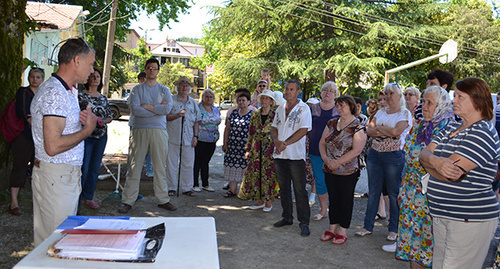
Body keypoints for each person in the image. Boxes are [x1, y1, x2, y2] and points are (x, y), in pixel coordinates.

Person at [420, 78, 500, 268]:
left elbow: (451, 174)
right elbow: (423, 154)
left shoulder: (482, 132)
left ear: (477, 101)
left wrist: (431, 163)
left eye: (460, 97)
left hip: (468, 219)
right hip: (443, 215)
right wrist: (436, 161)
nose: (453, 100)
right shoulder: (452, 127)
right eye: (454, 96)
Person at [30, 38, 97, 246]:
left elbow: (56, 128)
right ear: (77, 61)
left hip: (60, 176)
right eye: (91, 63)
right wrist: (87, 130)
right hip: (56, 177)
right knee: (54, 243)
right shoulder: (55, 93)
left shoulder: (67, 90)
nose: (93, 70)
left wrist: (77, 122)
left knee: (53, 241)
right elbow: (53, 146)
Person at [384, 86, 455, 268]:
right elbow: (408, 159)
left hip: (433, 198)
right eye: (423, 101)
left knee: (430, 246)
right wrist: (402, 187)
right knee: (412, 245)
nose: (424, 106)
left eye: (430, 102)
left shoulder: (449, 130)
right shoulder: (419, 125)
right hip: (410, 193)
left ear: (441, 105)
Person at [356, 83, 412, 241]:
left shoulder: (404, 113)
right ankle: (367, 226)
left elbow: (396, 132)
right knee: (373, 192)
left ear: (399, 96)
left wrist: (380, 129)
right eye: (386, 93)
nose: (388, 96)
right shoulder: (380, 112)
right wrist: (386, 131)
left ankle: (394, 229)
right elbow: (369, 131)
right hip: (375, 155)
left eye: (391, 93)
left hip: (393, 156)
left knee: (393, 193)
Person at [119, 57, 176, 214]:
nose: (152, 70)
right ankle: (128, 200)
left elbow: (167, 110)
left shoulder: (165, 90)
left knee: (159, 168)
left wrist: (148, 107)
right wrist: (157, 109)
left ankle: (163, 199)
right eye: (149, 68)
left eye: (154, 68)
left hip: (159, 131)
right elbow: (136, 111)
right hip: (139, 131)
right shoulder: (137, 90)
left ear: (158, 70)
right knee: (134, 167)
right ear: (145, 69)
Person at [319, 95, 366, 245]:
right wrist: (326, 159)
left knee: (345, 199)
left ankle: (343, 230)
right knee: (333, 198)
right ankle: (332, 228)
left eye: (343, 106)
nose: (339, 108)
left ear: (351, 107)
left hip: (348, 171)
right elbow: (321, 143)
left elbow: (357, 150)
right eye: (338, 106)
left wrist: (337, 162)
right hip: (330, 169)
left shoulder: (358, 126)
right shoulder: (331, 123)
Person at [271, 79, 312, 237]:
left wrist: (285, 143)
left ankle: (304, 222)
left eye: (291, 89)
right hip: (279, 155)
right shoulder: (280, 108)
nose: (288, 92)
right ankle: (287, 217)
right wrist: (276, 141)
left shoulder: (304, 109)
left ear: (298, 92)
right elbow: (274, 127)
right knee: (284, 189)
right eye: (286, 89)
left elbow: (303, 130)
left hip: (295, 156)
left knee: (300, 190)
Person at [9, 67, 44, 216]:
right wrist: (32, 119)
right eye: (32, 76)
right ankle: (14, 202)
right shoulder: (23, 92)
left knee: (39, 168)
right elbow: (22, 112)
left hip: (39, 137)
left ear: (42, 79)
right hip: (24, 136)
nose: (34, 79)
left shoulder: (44, 94)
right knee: (20, 167)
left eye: (37, 77)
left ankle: (39, 203)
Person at [239, 89, 278, 212]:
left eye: (267, 98)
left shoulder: (276, 114)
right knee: (256, 174)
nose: (264, 100)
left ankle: (268, 202)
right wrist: (248, 149)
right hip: (256, 149)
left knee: (269, 175)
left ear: (271, 101)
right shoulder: (255, 114)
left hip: (270, 149)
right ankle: (260, 200)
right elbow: (251, 132)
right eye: (262, 98)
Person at [78, 68, 112, 209]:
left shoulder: (103, 98)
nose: (95, 79)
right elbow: (77, 115)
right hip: (86, 136)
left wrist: (103, 121)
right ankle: (77, 199)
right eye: (92, 76)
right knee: (83, 169)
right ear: (88, 79)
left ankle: (88, 198)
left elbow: (110, 116)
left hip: (101, 136)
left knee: (94, 169)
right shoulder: (80, 96)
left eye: (98, 77)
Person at [309, 81, 340, 221]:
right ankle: (323, 210)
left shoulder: (339, 109)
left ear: (336, 94)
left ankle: (335, 210)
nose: (327, 92)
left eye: (331, 90)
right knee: (320, 181)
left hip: (334, 152)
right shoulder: (313, 108)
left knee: (334, 182)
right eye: (325, 89)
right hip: (315, 149)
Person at [166, 76, 201, 197]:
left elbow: (197, 120)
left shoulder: (193, 103)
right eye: (182, 85)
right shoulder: (171, 100)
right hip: (173, 137)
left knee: (188, 163)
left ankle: (187, 188)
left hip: (189, 138)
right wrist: (177, 115)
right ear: (177, 87)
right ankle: (171, 188)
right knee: (171, 164)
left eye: (187, 85)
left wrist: (195, 136)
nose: (184, 87)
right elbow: (165, 117)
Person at [222, 88, 256, 191]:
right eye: (239, 100)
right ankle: (232, 191)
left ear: (249, 102)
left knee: (246, 168)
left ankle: (246, 192)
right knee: (232, 168)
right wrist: (225, 143)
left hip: (245, 147)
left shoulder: (253, 115)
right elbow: (227, 128)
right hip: (232, 146)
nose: (241, 102)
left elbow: (255, 132)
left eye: (244, 100)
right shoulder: (233, 112)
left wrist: (252, 147)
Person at [193, 89, 221, 192]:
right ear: (202, 97)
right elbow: (195, 122)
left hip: (212, 140)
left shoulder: (216, 109)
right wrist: (195, 136)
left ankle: (206, 184)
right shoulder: (198, 108)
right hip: (200, 139)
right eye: (206, 96)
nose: (208, 98)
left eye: (210, 97)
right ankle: (195, 184)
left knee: (205, 162)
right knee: (197, 161)